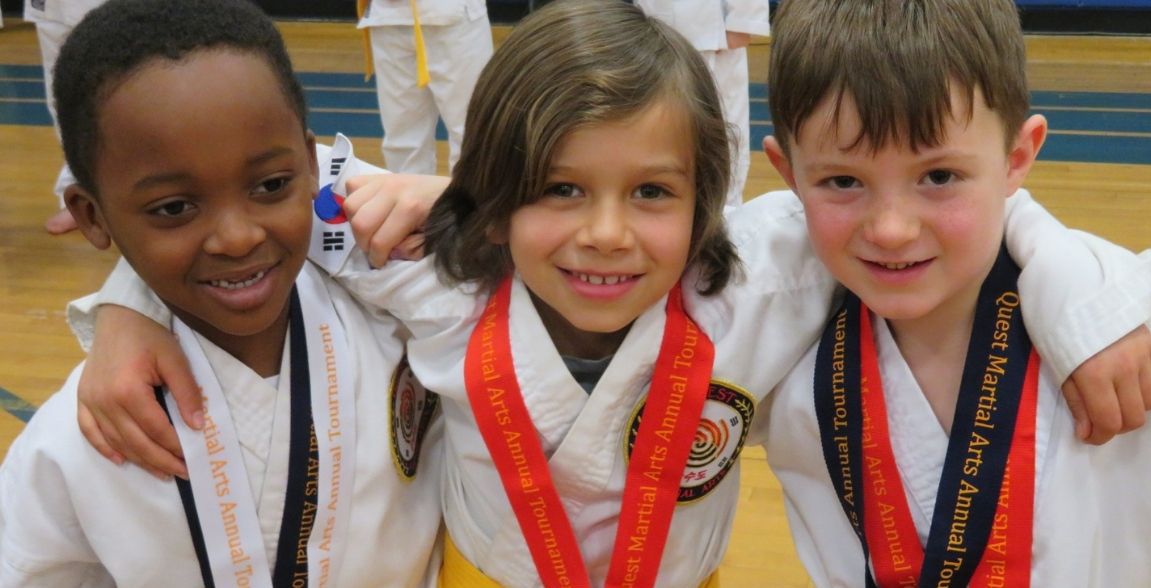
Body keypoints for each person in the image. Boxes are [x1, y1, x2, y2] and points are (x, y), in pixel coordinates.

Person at [69, 0, 1151, 586]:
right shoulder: (429, 262)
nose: (602, 235)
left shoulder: (759, 268)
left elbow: (935, 205)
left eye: (649, 192)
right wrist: (127, 300)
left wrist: (1072, 286)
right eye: (555, 191)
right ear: (491, 200)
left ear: (717, 192)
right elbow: (251, 198)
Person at [0, 1, 444, 585]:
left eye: (271, 185)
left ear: (312, 167)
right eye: (174, 208)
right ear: (90, 215)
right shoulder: (73, 444)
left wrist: (454, 199)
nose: (237, 238)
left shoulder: (403, 308)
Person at [757, 0, 1151, 585]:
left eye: (939, 177)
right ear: (788, 174)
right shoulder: (766, 327)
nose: (891, 228)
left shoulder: (1122, 318)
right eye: (842, 181)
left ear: (1017, 157)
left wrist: (1100, 299)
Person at [634, 0, 770, 206]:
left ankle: (725, 214)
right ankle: (657, 201)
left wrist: (743, 22)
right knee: (652, 128)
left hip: (709, 37)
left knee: (718, 132)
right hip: (648, 31)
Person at [357, 0, 493, 174]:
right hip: (388, 18)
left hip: (452, 18)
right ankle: (407, 199)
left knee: (471, 130)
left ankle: (467, 200)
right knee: (402, 138)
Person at [22, 0, 106, 234]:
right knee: (62, 95)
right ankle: (78, 191)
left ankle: (135, 193)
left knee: (123, 90)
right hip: (55, 8)